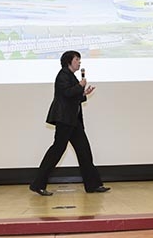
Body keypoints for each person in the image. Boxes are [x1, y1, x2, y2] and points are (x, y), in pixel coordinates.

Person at [29, 50, 110, 196]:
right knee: (57, 151)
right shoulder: (63, 75)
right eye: (77, 59)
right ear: (69, 61)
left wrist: (83, 93)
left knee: (84, 151)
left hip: (73, 120)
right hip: (65, 120)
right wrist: (80, 86)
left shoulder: (70, 76)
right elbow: (66, 93)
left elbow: (72, 97)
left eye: (79, 60)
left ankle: (93, 185)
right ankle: (37, 184)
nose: (79, 62)